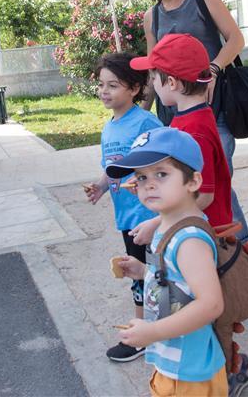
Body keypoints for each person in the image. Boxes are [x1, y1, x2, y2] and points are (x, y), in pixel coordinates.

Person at [129, 33, 248, 395]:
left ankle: (226, 374)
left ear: (170, 82)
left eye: (154, 78)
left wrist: (157, 220)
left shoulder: (194, 130)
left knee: (208, 316)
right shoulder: (190, 121)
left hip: (204, 235)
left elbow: (206, 193)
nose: (153, 85)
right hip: (197, 230)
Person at [139, 0, 248, 242]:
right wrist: (139, 114)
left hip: (212, 108)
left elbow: (235, 38)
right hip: (173, 116)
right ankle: (200, 247)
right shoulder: (152, 16)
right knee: (188, 184)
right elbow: (153, 66)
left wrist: (213, 68)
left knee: (216, 181)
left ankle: (240, 249)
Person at [107, 127, 228, 397]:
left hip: (191, 372)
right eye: (141, 177)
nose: (148, 184)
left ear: (193, 181)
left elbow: (211, 304)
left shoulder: (189, 240)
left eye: (161, 174)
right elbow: (178, 280)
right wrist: (144, 272)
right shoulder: (166, 226)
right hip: (173, 361)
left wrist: (152, 332)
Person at [83, 52, 163, 363]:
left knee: (155, 274)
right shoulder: (109, 127)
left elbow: (163, 164)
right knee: (138, 274)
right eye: (102, 85)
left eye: (113, 85)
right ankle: (149, 330)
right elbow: (111, 167)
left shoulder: (145, 122)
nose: (104, 91)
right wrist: (100, 187)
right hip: (127, 217)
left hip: (150, 217)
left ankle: (146, 333)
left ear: (134, 88)